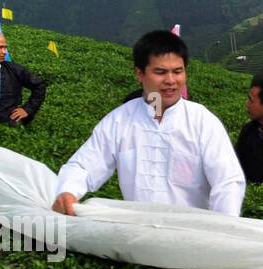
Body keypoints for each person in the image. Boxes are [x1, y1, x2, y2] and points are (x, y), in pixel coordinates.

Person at [51, 30, 245, 216]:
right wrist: (68, 192)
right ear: (140, 74)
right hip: (138, 234)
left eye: (178, 71)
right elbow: (84, 165)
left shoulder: (203, 122)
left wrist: (225, 227)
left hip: (191, 235)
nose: (171, 80)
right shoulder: (120, 120)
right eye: (160, 72)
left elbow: (227, 182)